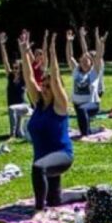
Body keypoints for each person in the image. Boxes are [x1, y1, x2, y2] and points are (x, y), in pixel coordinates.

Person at [20, 30, 81, 210]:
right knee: (56, 199)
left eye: (49, 86)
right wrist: (24, 52)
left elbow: (55, 79)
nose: (45, 88)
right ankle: (87, 194)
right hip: (44, 157)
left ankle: (39, 210)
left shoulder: (60, 105)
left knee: (38, 168)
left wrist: (53, 54)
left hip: (62, 156)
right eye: (43, 85)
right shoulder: (38, 102)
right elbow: (29, 77)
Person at [66, 26, 106, 137]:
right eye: (82, 60)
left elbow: (98, 56)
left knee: (82, 111)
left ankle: (86, 136)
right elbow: (69, 57)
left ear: (91, 62)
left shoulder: (94, 72)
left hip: (92, 104)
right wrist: (69, 42)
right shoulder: (76, 70)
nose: (83, 62)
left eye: (86, 60)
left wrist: (100, 42)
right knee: (84, 129)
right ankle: (97, 130)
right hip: (77, 105)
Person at [0, 31, 30, 139]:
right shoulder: (10, 76)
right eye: (14, 67)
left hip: (23, 106)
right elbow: (5, 60)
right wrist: (2, 44)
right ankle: (17, 133)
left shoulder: (24, 78)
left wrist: (24, 46)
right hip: (13, 107)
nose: (15, 69)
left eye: (17, 68)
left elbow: (27, 62)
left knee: (12, 110)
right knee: (20, 134)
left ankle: (11, 135)